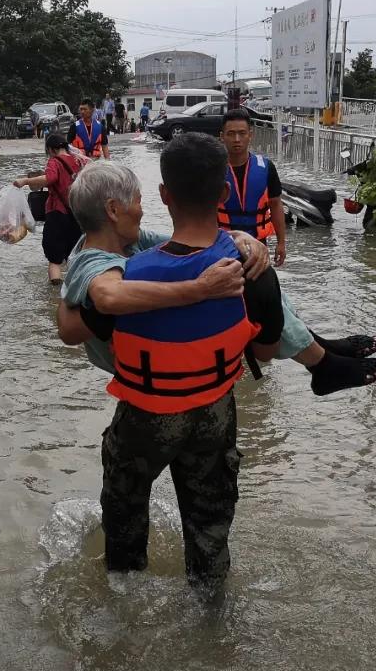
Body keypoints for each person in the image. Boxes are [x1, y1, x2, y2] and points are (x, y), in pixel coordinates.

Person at [59, 133, 288, 597]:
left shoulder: (130, 272)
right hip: (215, 413)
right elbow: (265, 351)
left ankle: (123, 612)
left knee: (124, 519)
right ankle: (210, 617)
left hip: (146, 415)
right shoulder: (244, 267)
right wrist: (241, 243)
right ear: (224, 194)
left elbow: (79, 324)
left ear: (165, 196)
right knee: (209, 530)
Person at [59, 163, 376, 395]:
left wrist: (237, 239)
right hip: (145, 374)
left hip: (157, 361)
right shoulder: (92, 259)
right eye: (138, 202)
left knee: (243, 263)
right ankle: (320, 362)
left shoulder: (124, 239)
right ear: (114, 210)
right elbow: (108, 297)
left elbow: (193, 241)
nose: (142, 210)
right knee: (242, 277)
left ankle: (316, 349)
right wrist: (198, 289)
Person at [217, 109, 289, 267]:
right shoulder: (212, 169)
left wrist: (281, 243)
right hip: (221, 247)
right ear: (222, 136)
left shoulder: (266, 167)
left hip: (258, 245)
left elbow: (276, 205)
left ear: (250, 134)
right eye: (231, 134)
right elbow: (198, 209)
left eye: (242, 133)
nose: (237, 139)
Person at [13, 133, 86, 285]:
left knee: (54, 259)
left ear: (51, 150)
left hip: (57, 214)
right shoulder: (79, 160)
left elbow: (49, 179)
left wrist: (25, 181)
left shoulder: (54, 161)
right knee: (74, 255)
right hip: (77, 214)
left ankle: (54, 295)